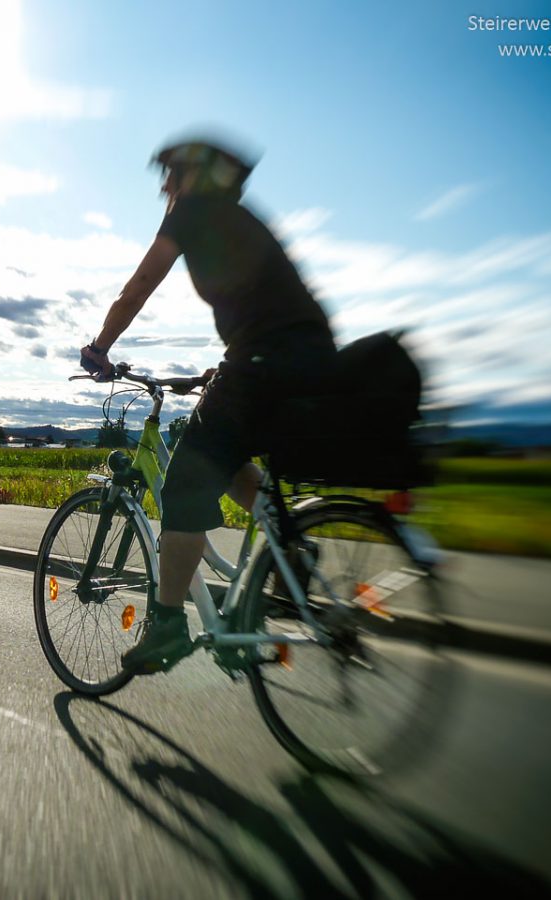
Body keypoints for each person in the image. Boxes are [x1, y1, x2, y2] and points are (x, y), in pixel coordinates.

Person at [80, 136, 336, 674]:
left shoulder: (193, 214)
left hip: (264, 360)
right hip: (308, 357)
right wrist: (230, 365)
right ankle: (289, 548)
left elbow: (140, 285)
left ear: (194, 179)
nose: (165, 187)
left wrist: (100, 346)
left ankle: (168, 626)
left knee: (184, 481)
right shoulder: (241, 219)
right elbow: (268, 301)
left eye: (171, 175)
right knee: (229, 457)